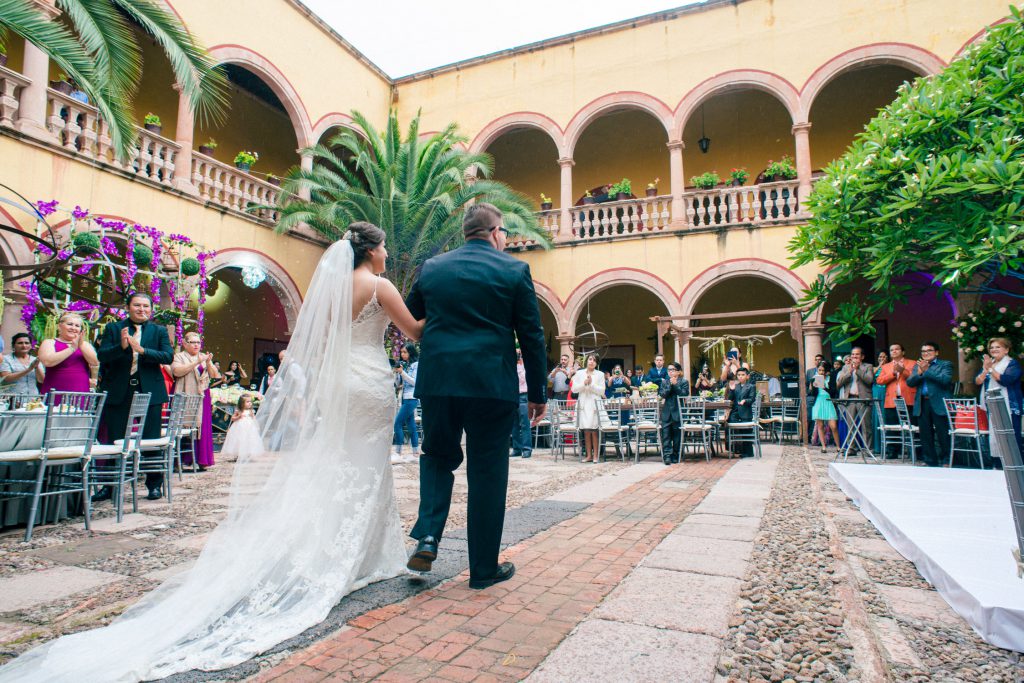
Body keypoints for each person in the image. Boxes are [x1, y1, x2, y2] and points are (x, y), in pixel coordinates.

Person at [0, 223, 426, 681]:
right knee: (363, 466)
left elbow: (317, 343)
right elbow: (416, 331)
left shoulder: (333, 290)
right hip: (369, 385)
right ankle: (359, 555)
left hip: (341, 384)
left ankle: (338, 549)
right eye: (383, 247)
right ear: (372, 250)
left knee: (337, 464)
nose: (385, 254)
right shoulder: (379, 285)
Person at [403, 203, 545, 591]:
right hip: (491, 387)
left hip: (439, 382)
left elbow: (411, 315)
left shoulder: (432, 268)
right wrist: (537, 393)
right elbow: (532, 335)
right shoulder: (514, 270)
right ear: (496, 232)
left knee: (437, 457)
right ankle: (483, 571)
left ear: (466, 232)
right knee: (487, 472)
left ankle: (429, 535)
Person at [95, 293, 174, 501]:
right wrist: (122, 347)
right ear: (128, 307)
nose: (142, 309)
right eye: (137, 305)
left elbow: (167, 356)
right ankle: (110, 486)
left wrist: (143, 350)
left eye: (146, 306)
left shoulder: (159, 331)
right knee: (114, 440)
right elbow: (102, 356)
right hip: (120, 390)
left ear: (151, 309)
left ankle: (154, 485)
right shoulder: (114, 329)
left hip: (149, 390)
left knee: (151, 439)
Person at [171, 331, 221, 471]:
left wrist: (209, 362)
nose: (196, 345)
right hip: (184, 393)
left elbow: (214, 375)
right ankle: (178, 461)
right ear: (185, 344)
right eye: (193, 342)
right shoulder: (179, 356)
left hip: (201, 395)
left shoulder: (203, 356)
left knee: (201, 427)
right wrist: (197, 362)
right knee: (182, 426)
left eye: (198, 342)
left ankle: (202, 459)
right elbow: (177, 372)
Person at [976, 336, 1022, 462]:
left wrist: (991, 368)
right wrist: (986, 370)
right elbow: (978, 381)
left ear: (1006, 350)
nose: (994, 349)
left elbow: (1006, 380)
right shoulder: (990, 362)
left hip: (1009, 404)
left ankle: (1015, 464)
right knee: (995, 434)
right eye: (992, 347)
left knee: (1010, 434)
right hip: (993, 403)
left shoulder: (1012, 364)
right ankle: (998, 464)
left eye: (998, 347)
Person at [907, 341, 952, 467]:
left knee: (942, 432)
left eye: (929, 351)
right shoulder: (918, 365)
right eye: (923, 351)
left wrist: (927, 371)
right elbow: (910, 382)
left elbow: (945, 380)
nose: (926, 353)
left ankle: (946, 459)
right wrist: (920, 373)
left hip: (938, 402)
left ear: (936, 352)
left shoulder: (945, 364)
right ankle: (930, 460)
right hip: (923, 402)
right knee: (925, 433)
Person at [37, 311, 98, 400]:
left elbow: (95, 362)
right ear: (59, 326)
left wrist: (80, 345)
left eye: (77, 326)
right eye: (70, 324)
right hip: (55, 390)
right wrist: (72, 348)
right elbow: (48, 361)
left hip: (80, 391)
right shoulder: (49, 342)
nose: (73, 328)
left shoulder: (85, 345)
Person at [876, 343, 916, 458]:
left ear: (903, 352)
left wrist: (902, 371)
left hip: (908, 398)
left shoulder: (912, 363)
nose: (894, 351)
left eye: (897, 349)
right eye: (892, 350)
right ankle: (893, 451)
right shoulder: (886, 366)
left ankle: (914, 451)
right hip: (892, 399)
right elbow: (879, 380)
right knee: (892, 426)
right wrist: (893, 373)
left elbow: (915, 378)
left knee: (912, 425)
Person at [835, 347, 874, 451]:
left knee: (866, 425)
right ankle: (851, 448)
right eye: (852, 354)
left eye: (857, 355)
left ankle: (867, 448)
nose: (854, 357)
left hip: (863, 399)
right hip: (850, 399)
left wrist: (858, 370)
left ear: (862, 356)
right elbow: (839, 384)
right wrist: (850, 372)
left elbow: (869, 380)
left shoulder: (868, 366)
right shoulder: (845, 368)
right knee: (850, 425)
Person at [571, 354, 605, 463]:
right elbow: (574, 389)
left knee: (594, 430)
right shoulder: (580, 373)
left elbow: (602, 391)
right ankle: (588, 455)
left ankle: (596, 455)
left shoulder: (600, 374)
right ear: (587, 361)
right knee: (586, 430)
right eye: (590, 359)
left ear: (597, 363)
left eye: (594, 360)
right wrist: (584, 383)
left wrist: (591, 385)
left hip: (594, 403)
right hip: (584, 403)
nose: (591, 362)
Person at [392, 342, 420, 463]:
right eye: (401, 352)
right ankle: (415, 453)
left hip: (411, 398)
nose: (402, 354)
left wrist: (403, 372)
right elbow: (398, 385)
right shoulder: (405, 365)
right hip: (404, 398)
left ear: (411, 352)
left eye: (405, 352)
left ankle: (398, 452)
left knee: (397, 423)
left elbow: (414, 382)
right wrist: (398, 373)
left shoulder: (416, 365)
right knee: (411, 426)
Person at [658, 361, 690, 465]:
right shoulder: (664, 382)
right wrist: (670, 385)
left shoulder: (684, 382)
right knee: (666, 434)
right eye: (669, 370)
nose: (670, 372)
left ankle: (676, 455)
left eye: (673, 370)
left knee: (677, 435)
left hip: (678, 411)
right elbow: (663, 394)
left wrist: (676, 384)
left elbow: (684, 394)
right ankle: (667, 455)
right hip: (667, 411)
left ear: (678, 372)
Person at [219, 393, 261, 461]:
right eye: (247, 402)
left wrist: (254, 420)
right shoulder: (238, 411)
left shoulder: (251, 411)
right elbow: (232, 418)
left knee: (249, 439)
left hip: (249, 427)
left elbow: (253, 418)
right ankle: (238, 454)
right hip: (239, 427)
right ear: (242, 403)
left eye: (250, 401)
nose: (250, 403)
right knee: (239, 439)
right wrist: (238, 417)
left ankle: (248, 454)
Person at [811, 362, 841, 453]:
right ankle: (823, 446)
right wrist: (813, 386)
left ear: (826, 371)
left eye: (823, 370)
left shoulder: (830, 378)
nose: (821, 372)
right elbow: (813, 394)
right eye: (819, 370)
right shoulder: (815, 378)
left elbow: (833, 392)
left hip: (828, 401)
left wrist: (824, 387)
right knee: (820, 425)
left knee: (833, 426)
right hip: (819, 402)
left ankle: (838, 446)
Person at [728, 367, 757, 457]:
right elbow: (730, 398)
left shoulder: (751, 386)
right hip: (736, 412)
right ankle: (736, 449)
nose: (740, 377)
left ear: (747, 376)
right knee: (730, 424)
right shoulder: (736, 386)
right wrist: (732, 390)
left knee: (746, 432)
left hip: (745, 412)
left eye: (743, 375)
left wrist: (745, 401)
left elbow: (752, 399)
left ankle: (748, 452)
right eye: (739, 375)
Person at [509, 350, 533, 459]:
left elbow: (523, 379)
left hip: (523, 395)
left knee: (524, 424)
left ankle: (527, 449)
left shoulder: (524, 367)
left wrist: (520, 365)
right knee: (514, 424)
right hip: (513, 396)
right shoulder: (511, 366)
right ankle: (516, 448)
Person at [872, 350, 889, 454]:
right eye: (880, 357)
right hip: (876, 392)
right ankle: (878, 446)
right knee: (877, 418)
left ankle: (888, 446)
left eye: (883, 356)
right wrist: (880, 366)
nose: (881, 358)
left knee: (886, 416)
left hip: (886, 392)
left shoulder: (890, 367)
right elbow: (871, 376)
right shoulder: (874, 368)